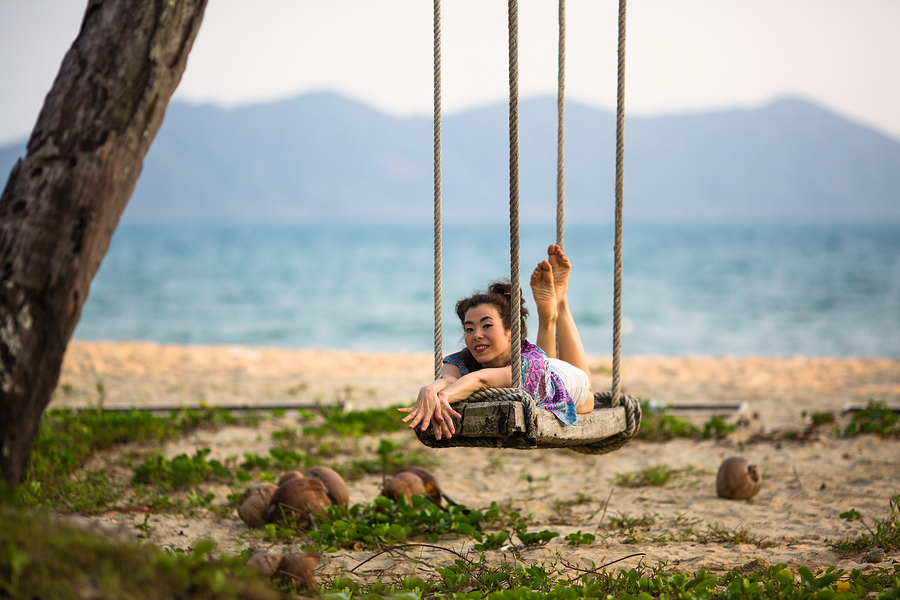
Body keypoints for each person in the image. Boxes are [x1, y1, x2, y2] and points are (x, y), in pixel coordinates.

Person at [399, 244, 594, 440]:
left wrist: (444, 397)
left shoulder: (529, 365)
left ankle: (560, 301)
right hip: (541, 377)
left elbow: (481, 380)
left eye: (487, 325)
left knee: (589, 398)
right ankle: (548, 317)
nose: (476, 335)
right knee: (545, 367)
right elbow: (450, 379)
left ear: (511, 331)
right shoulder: (461, 360)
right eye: (469, 328)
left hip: (561, 380)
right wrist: (430, 389)